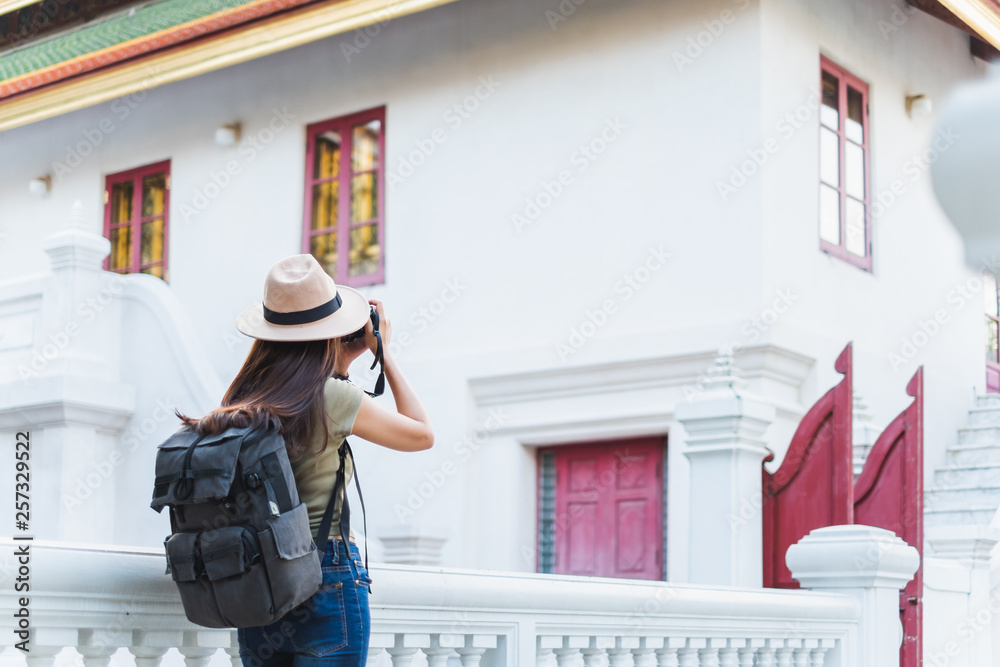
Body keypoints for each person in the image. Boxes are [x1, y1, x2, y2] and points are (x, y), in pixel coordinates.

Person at [181, 254, 433, 667]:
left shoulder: (242, 400)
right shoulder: (330, 396)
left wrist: (343, 358)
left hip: (260, 580)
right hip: (325, 575)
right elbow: (422, 434)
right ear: (331, 331)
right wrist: (381, 352)